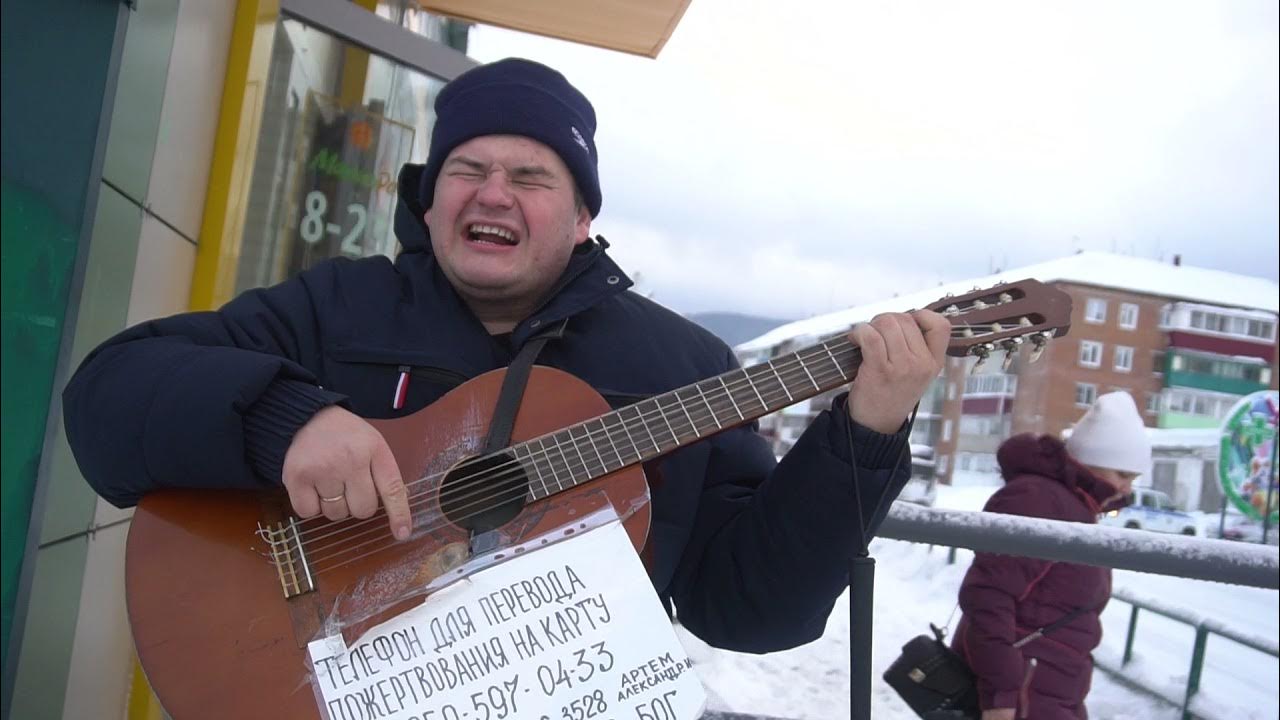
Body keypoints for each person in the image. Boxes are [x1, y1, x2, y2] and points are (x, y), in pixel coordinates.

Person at [62, 58, 948, 653]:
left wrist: (864, 434)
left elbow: (755, 610)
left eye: (531, 178)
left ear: (582, 216)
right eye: (466, 169)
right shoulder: (337, 306)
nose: (493, 193)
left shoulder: (685, 364)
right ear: (432, 196)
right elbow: (109, 396)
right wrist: (284, 420)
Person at [951, 392, 1152, 719]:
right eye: (1123, 475)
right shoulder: (1038, 500)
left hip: (1045, 694)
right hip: (1022, 696)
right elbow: (989, 597)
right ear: (1091, 462)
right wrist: (1000, 698)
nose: (1128, 488)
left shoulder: (1076, 508)